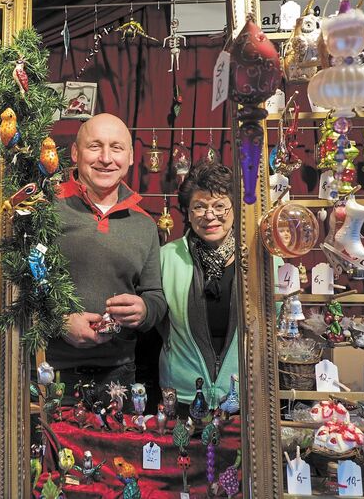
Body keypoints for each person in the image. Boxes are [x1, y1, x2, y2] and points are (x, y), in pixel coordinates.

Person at [47, 112, 167, 399]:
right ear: (75, 153)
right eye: (94, 146)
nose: (105, 158)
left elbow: (155, 295)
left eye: (116, 148)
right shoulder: (43, 209)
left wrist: (145, 310)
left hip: (119, 375)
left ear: (130, 156)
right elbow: (1, 284)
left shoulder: (144, 224)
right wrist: (58, 321)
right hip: (49, 371)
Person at [158, 161, 238, 409]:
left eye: (220, 206)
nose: (210, 216)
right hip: (181, 395)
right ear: (188, 213)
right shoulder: (166, 257)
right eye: (199, 207)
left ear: (235, 209)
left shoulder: (260, 260)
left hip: (243, 395)